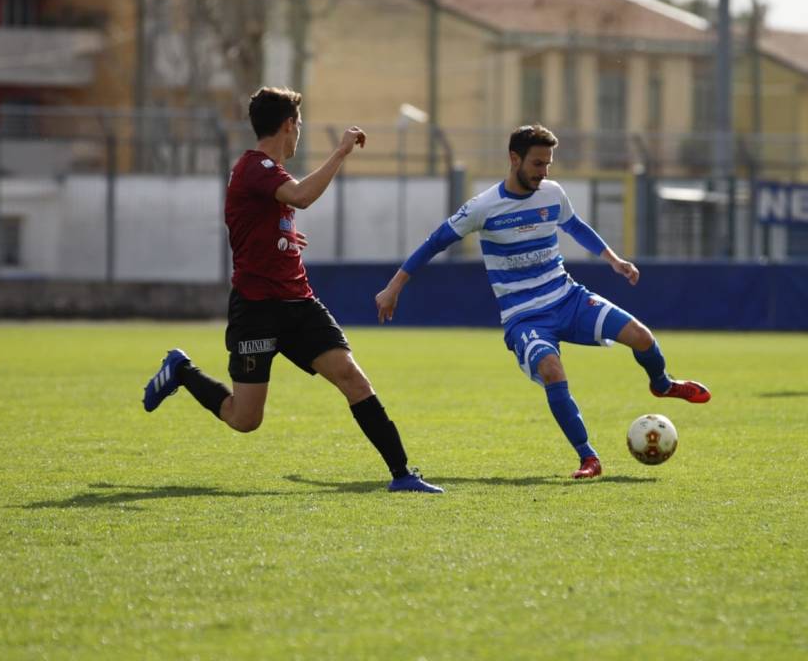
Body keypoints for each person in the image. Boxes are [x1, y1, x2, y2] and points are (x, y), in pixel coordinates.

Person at [142, 86, 443, 493]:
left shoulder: (268, 174)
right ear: (288, 125)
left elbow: (272, 215)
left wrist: (283, 239)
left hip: (299, 302)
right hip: (256, 308)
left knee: (353, 379)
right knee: (244, 419)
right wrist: (340, 153)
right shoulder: (255, 167)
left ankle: (403, 474)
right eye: (298, 125)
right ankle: (181, 370)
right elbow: (301, 197)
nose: (298, 132)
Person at [375, 124, 710, 480]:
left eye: (548, 164)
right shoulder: (483, 207)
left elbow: (575, 225)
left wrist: (614, 259)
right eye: (537, 163)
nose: (543, 172)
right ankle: (589, 458)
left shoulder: (552, 193)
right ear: (514, 158)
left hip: (567, 297)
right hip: (524, 316)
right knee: (552, 370)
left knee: (641, 336)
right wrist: (394, 287)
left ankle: (661, 384)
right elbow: (434, 242)